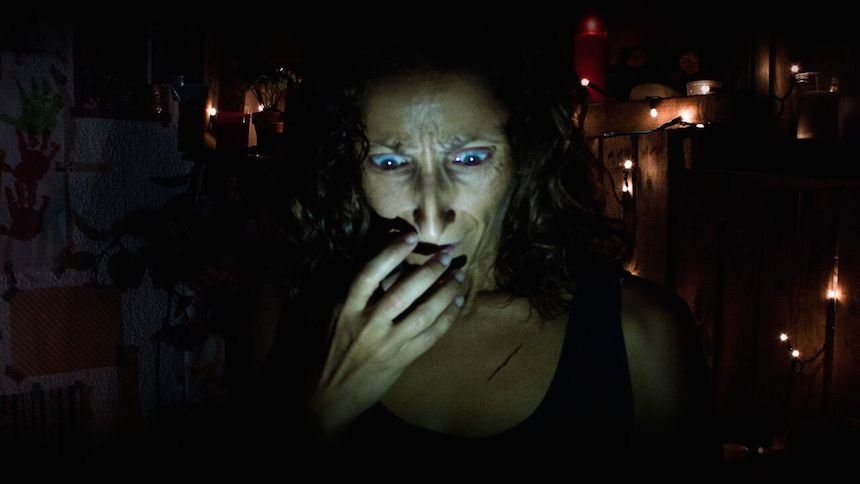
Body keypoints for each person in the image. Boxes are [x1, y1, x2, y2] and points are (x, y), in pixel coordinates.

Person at [232, 15, 724, 479]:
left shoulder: (643, 334)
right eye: (390, 163)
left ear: (525, 157)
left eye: (469, 158)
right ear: (348, 168)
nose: (431, 214)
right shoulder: (284, 312)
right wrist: (325, 407)